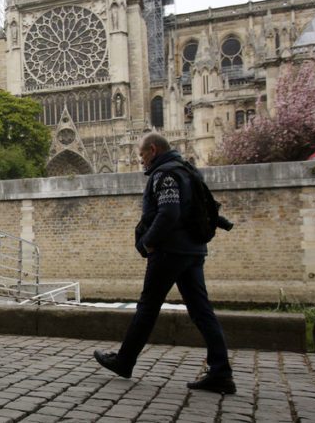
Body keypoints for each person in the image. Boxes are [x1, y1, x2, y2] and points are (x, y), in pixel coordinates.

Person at [93, 133, 235, 394]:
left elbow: (168, 213)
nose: (141, 161)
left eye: (142, 155)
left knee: (147, 308)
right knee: (202, 311)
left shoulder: (165, 174)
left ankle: (124, 361)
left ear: (154, 150)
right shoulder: (188, 171)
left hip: (170, 251)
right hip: (193, 251)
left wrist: (147, 242)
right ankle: (221, 371)